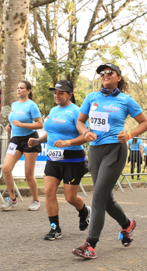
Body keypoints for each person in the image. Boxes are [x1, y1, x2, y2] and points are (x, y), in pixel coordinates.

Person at [73, 63, 147, 259]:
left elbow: (145, 123)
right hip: (95, 150)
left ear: (118, 77)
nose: (105, 75)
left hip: (115, 150)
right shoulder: (92, 97)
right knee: (105, 198)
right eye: (102, 73)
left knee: (98, 195)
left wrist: (129, 134)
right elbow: (80, 121)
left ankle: (90, 245)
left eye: (110, 72)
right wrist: (86, 132)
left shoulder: (126, 100)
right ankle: (127, 225)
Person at [28, 80, 91, 240]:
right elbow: (51, 133)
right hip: (53, 159)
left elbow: (86, 137)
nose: (57, 95)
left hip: (73, 159)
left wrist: (67, 142)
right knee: (49, 192)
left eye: (60, 93)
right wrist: (37, 141)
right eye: (55, 92)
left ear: (69, 95)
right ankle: (54, 228)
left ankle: (84, 211)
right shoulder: (53, 110)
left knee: (70, 198)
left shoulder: (77, 111)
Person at [1, 80, 43, 211]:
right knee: (6, 169)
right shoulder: (14, 104)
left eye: (22, 88)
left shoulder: (32, 105)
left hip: (30, 139)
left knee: (28, 174)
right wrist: (10, 126)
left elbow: (40, 124)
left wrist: (21, 125)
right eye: (17, 88)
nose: (18, 90)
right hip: (15, 139)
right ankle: (12, 199)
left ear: (28, 91)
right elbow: (14, 122)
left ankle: (36, 200)